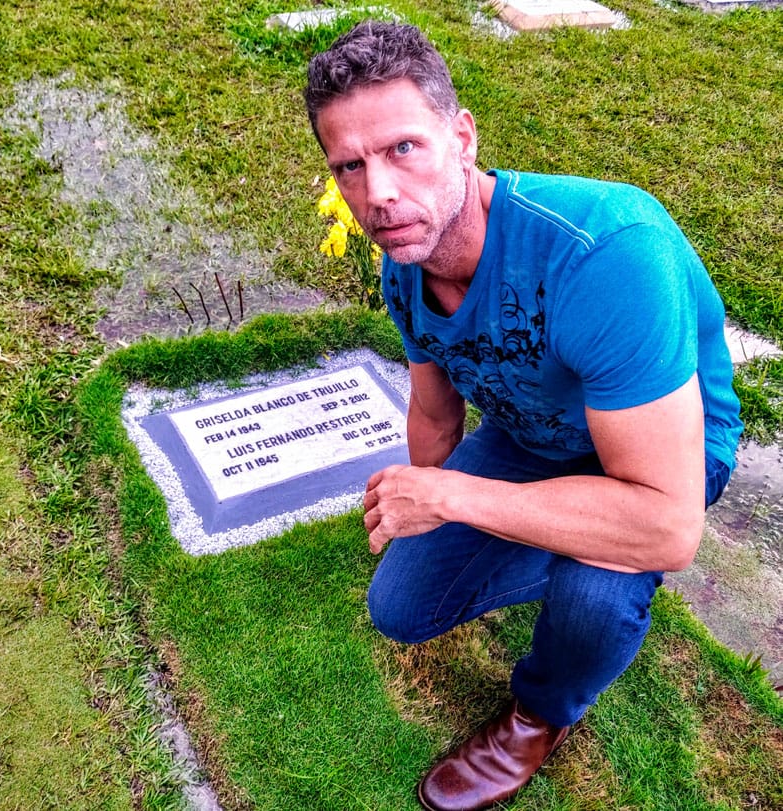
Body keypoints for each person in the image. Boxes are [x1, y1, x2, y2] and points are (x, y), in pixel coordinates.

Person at [304, 20, 743, 811]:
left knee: (593, 595)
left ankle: (539, 714)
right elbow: (434, 414)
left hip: (661, 458)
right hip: (534, 433)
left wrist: (456, 500)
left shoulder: (604, 253)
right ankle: (568, 532)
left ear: (462, 137)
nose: (378, 194)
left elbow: (670, 526)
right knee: (401, 607)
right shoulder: (406, 261)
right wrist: (421, 501)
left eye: (403, 148)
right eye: (349, 166)